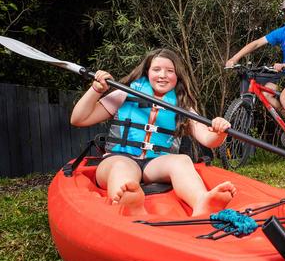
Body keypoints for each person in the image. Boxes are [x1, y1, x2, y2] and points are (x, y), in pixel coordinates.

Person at [70, 49, 236, 217]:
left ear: (177, 76)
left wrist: (219, 132)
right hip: (118, 158)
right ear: (147, 71)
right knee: (121, 168)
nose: (163, 75)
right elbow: (79, 119)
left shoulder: (182, 105)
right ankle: (128, 204)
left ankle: (201, 201)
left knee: (182, 160)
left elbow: (207, 138)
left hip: (154, 165)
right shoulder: (124, 94)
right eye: (156, 69)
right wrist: (96, 90)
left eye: (170, 71)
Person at [225, 0, 285, 149]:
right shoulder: (283, 32)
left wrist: (284, 65)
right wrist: (234, 59)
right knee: (267, 94)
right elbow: (256, 43)